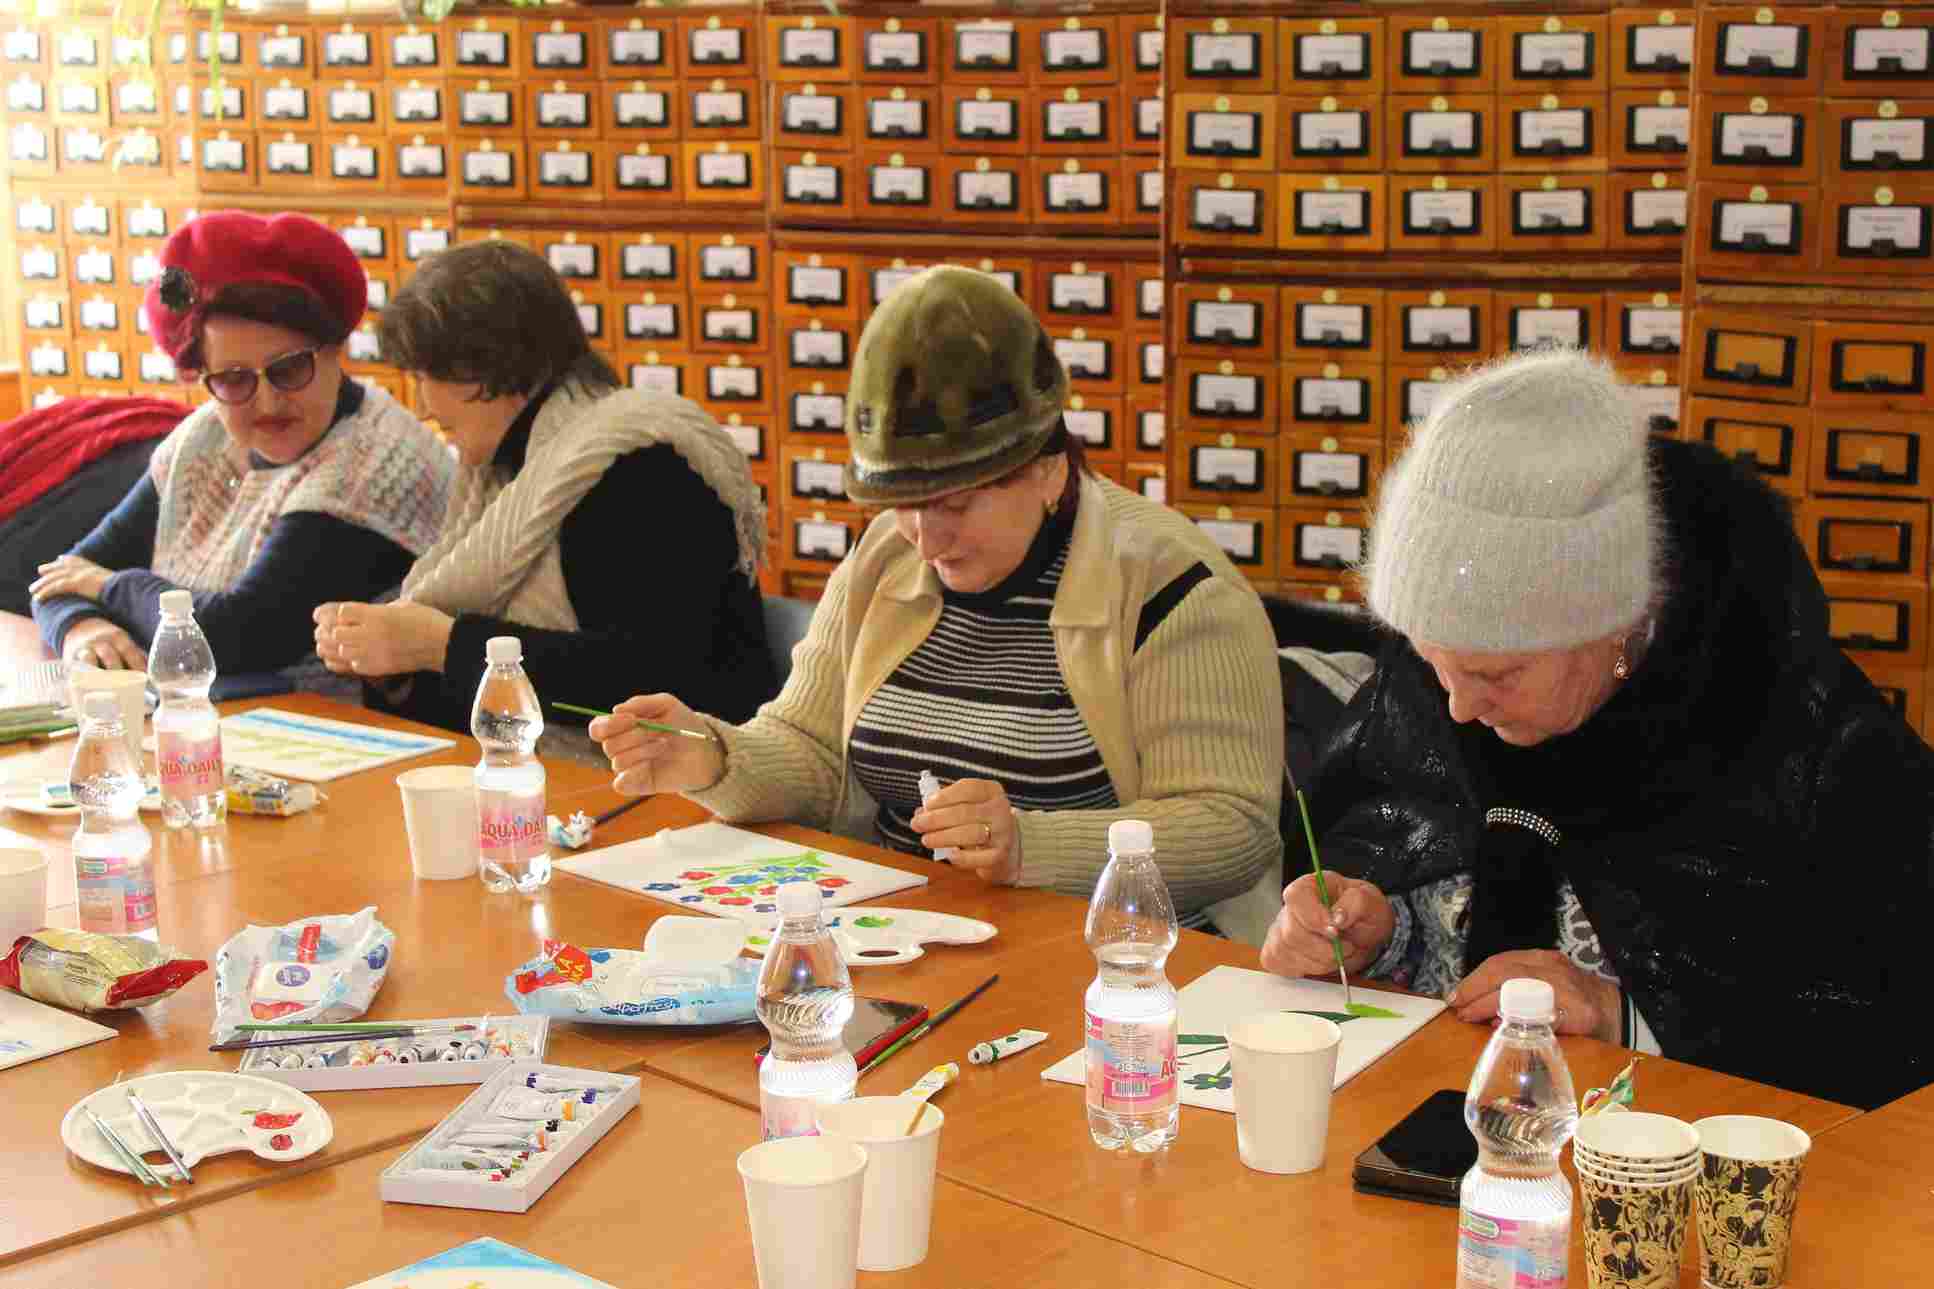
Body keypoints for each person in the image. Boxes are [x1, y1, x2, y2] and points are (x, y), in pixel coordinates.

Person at [1260, 349, 1934, 1111]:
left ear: (1614, 627)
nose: (1457, 708)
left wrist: (1630, 1018)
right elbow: (1394, 837)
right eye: (1430, 662)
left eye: (1495, 674)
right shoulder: (1449, 674)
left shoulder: (1801, 738)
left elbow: (1888, 1025)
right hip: (1432, 1107)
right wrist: (1369, 927)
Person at [589, 266, 1284, 928]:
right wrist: (715, 755)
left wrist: (1030, 846)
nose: (926, 541)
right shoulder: (884, 557)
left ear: (1047, 470)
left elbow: (1232, 826)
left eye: (955, 504)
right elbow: (813, 748)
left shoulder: (1173, 588)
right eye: (904, 505)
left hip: (1114, 952)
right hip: (911, 930)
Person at [312, 240, 772, 748]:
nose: (422, 405)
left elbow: (653, 681)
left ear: (495, 365)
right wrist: (396, 668)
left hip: (685, 776)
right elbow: (484, 711)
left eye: (428, 376)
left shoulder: (635, 468)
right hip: (557, 774)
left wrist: (443, 646)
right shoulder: (509, 471)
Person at [28, 212, 454, 689]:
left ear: (338, 351)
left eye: (290, 369)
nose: (268, 403)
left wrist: (108, 588)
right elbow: (60, 576)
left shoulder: (376, 464)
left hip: (331, 727)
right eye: (234, 379)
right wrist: (83, 627)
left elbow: (231, 638)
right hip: (209, 713)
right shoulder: (203, 436)